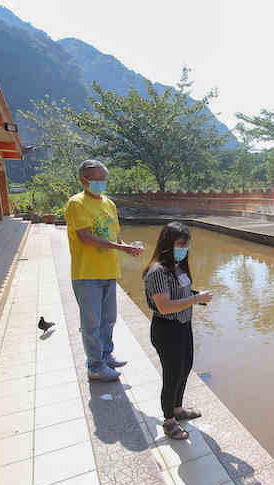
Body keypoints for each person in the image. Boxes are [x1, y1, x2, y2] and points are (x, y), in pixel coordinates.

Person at [65, 159, 143, 381]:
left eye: (103, 179)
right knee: (91, 323)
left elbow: (114, 235)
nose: (100, 183)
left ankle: (106, 355)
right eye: (96, 179)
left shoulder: (109, 203)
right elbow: (86, 237)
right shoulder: (76, 203)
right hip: (87, 273)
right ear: (83, 180)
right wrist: (120, 246)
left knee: (109, 319)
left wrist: (127, 248)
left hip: (109, 270)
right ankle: (95, 366)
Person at [143, 222, 212, 440]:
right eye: (180, 244)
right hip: (166, 329)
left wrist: (196, 296)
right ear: (167, 244)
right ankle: (168, 421)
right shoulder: (157, 271)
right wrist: (195, 299)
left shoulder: (178, 266)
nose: (184, 249)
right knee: (172, 374)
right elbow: (164, 305)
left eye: (186, 245)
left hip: (183, 325)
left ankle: (178, 409)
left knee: (185, 368)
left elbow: (179, 293)